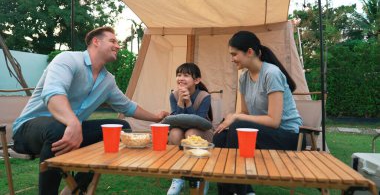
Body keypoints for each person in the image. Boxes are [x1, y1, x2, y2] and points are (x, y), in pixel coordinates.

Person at [12, 26, 169, 195]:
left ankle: (74, 189)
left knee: (120, 128)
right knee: (59, 129)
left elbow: (128, 106)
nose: (117, 46)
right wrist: (72, 122)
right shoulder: (68, 59)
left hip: (71, 130)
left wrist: (156, 118)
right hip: (29, 130)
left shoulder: (108, 80)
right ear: (96, 41)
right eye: (113, 41)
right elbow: (53, 94)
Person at [213, 31, 303, 195]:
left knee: (237, 127)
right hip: (263, 133)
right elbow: (247, 114)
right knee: (220, 135)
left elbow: (274, 121)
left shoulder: (271, 73)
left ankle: (239, 191)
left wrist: (237, 116)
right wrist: (231, 120)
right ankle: (241, 190)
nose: (232, 59)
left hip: (286, 136)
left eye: (234, 54)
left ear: (249, 52)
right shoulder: (244, 78)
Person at [167, 63, 212, 195]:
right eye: (179, 75)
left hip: (202, 130)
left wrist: (189, 103)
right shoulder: (174, 95)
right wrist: (181, 102)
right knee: (175, 133)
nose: (181, 78)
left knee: (191, 133)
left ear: (197, 80)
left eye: (186, 75)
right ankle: (177, 176)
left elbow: (199, 121)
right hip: (180, 129)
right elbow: (175, 121)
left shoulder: (204, 96)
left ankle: (199, 175)